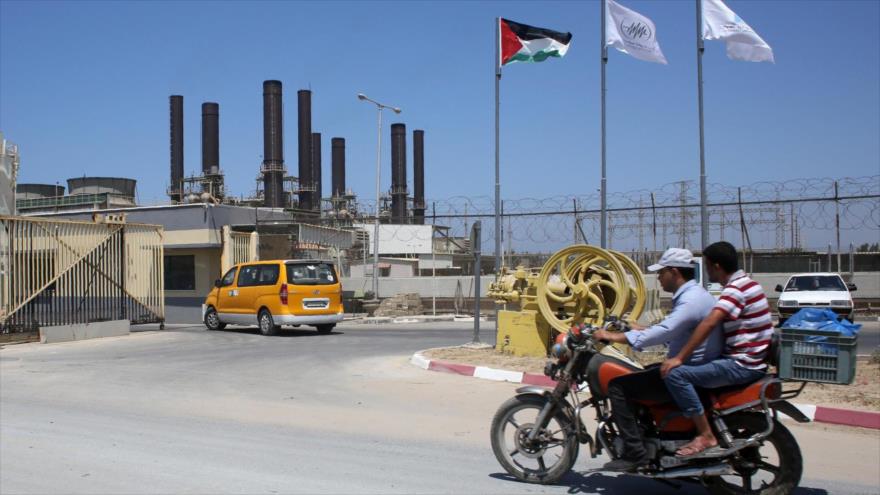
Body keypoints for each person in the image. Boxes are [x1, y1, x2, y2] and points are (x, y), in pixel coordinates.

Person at [592, 248, 723, 472]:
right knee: (643, 375)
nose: (659, 278)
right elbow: (675, 333)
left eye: (661, 273)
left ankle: (635, 454)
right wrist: (639, 328)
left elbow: (665, 331)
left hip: (689, 369)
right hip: (692, 364)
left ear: (674, 272)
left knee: (618, 387)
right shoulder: (694, 296)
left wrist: (613, 336)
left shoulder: (690, 301)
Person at [660, 241, 773, 457]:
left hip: (740, 364)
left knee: (675, 375)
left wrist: (679, 358)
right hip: (752, 361)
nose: (707, 271)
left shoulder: (735, 290)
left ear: (717, 266)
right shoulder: (750, 284)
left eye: (708, 266)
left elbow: (710, 322)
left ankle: (705, 434)